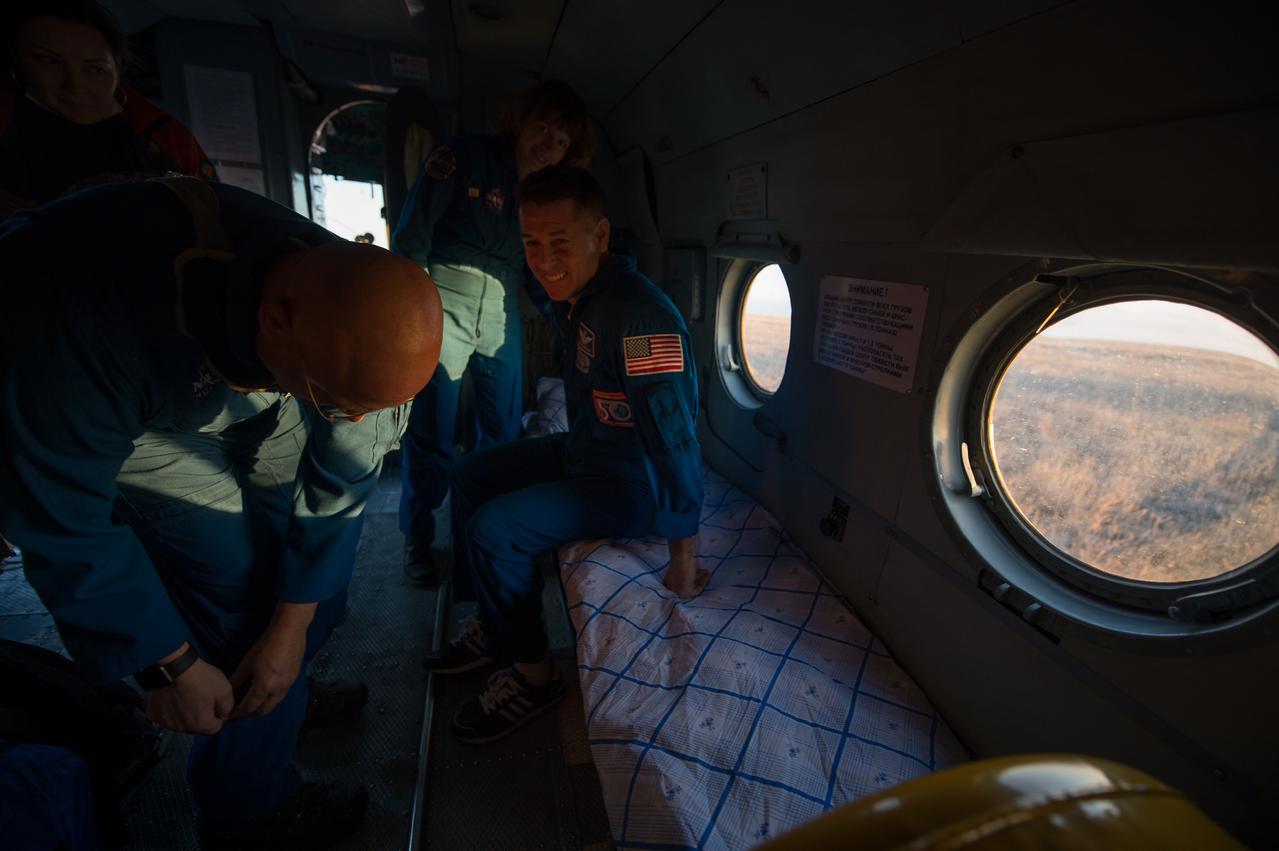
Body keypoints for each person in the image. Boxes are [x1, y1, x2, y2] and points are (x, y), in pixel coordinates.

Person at [0, 177, 443, 848]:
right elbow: (61, 518)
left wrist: (293, 631)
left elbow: (343, 471)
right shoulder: (78, 319)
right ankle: (249, 811)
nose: (356, 419)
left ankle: (280, 692)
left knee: (308, 595)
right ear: (274, 322)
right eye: (340, 402)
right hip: (146, 421)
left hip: (267, 392)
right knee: (243, 606)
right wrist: (169, 666)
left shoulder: (349, 308)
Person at [424, 164, 707, 744]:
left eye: (559, 242)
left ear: (600, 237)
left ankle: (534, 675)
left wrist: (683, 556)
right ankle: (495, 625)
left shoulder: (639, 318)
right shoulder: (577, 296)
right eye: (531, 243)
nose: (544, 259)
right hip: (588, 452)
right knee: (470, 474)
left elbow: (673, 438)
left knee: (494, 531)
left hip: (633, 486)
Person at [392, 79, 592, 584]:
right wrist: (412, 311)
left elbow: (536, 270)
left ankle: (480, 532)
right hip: (442, 301)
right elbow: (412, 236)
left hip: (501, 314)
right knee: (433, 432)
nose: (548, 146)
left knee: (501, 433)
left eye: (561, 141)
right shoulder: (463, 156)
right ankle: (418, 537)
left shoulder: (542, 196)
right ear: (519, 124)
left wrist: (568, 317)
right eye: (542, 129)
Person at [0, 1, 217, 218]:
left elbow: (219, 215)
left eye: (95, 69)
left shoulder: (168, 138)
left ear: (117, 72)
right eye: (49, 61)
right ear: (15, 66)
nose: (75, 85)